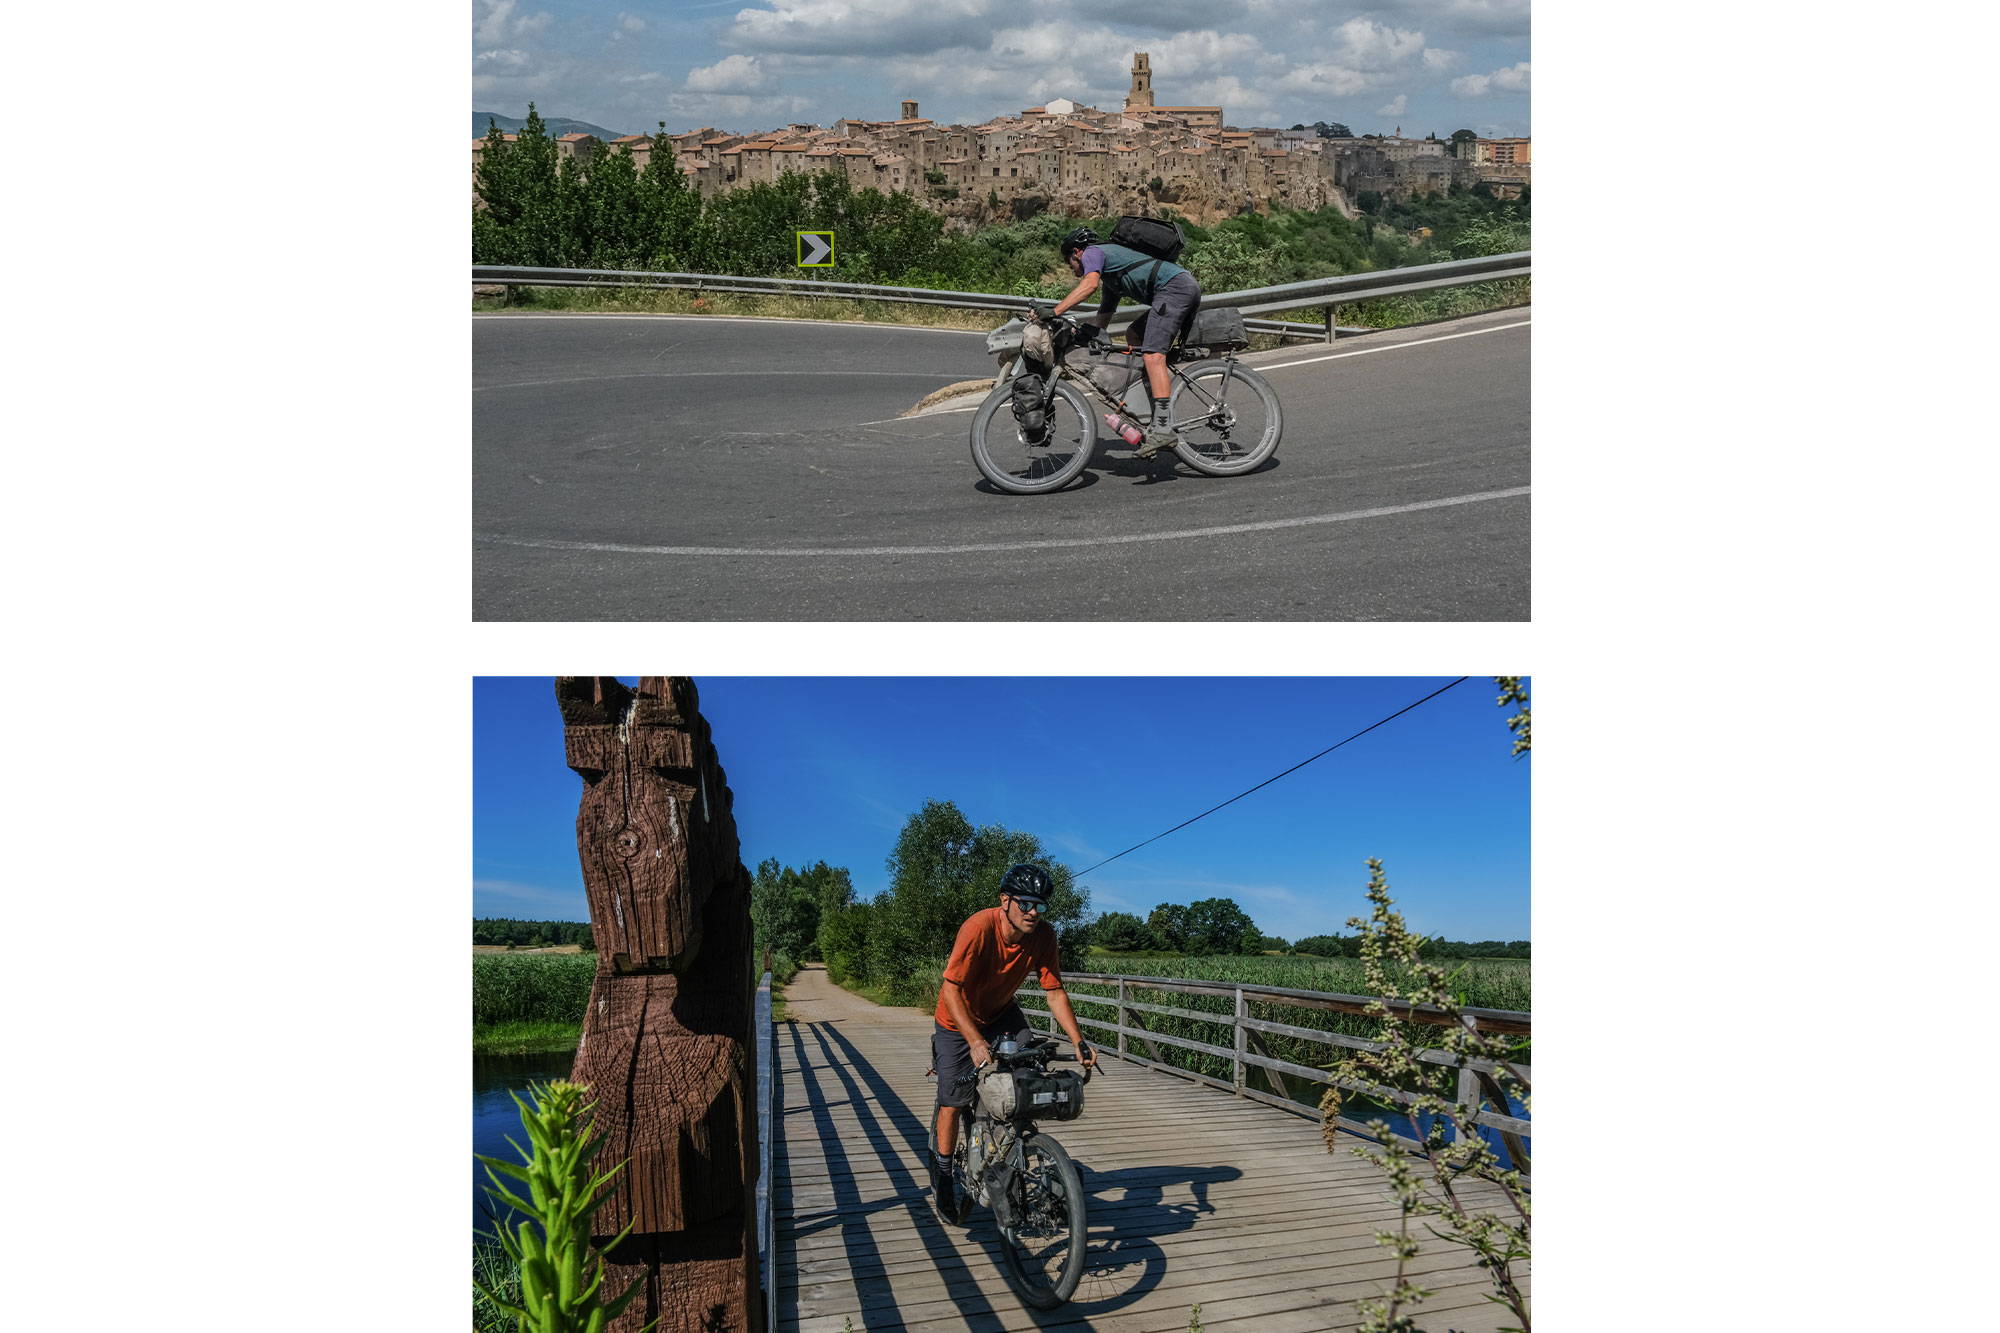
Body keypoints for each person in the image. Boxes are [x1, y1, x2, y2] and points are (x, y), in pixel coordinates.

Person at [928, 862, 1096, 1224]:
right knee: (953, 1101)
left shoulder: (1044, 936)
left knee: (1027, 1078)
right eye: (1025, 904)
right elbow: (951, 990)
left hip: (1002, 1013)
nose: (1034, 912)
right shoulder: (979, 927)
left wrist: (1079, 1041)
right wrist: (974, 1041)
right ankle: (942, 1174)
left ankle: (1014, 1151)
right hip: (956, 1019)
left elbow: (1054, 992)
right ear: (1005, 900)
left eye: (1041, 905)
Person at [1049, 226, 1202, 458]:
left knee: (1153, 355)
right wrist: (1084, 336)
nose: (1072, 269)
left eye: (1070, 262)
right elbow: (1103, 318)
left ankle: (1162, 427)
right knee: (1134, 336)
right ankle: (1148, 409)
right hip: (1177, 288)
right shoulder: (1112, 278)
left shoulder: (1093, 252)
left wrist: (1053, 312)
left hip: (1175, 288)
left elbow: (1088, 286)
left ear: (1077, 252)